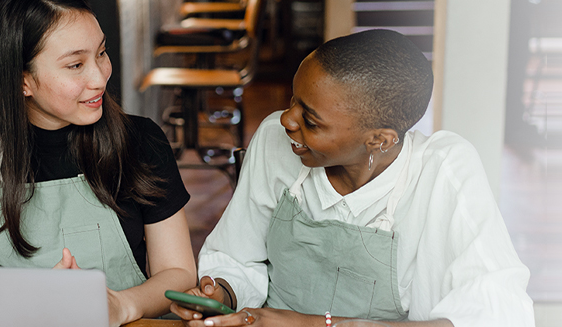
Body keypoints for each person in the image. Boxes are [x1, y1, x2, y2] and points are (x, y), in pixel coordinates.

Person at [171, 29, 534, 327]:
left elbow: (499, 310)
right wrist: (222, 293)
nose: (287, 120)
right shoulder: (275, 140)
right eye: (292, 100)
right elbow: (238, 255)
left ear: (379, 139)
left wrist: (317, 324)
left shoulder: (442, 171)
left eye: (311, 121)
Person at [0, 0, 197, 325]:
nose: (99, 78)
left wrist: (120, 305)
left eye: (101, 53)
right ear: (23, 80)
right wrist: (31, 299)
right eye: (75, 65)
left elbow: (179, 273)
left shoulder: (141, 141)